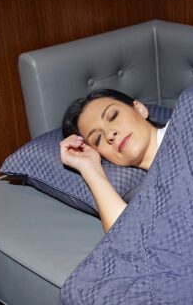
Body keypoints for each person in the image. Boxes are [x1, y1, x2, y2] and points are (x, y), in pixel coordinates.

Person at [59, 89, 166, 232]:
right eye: (97, 139)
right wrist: (89, 169)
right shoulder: (152, 194)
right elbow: (128, 239)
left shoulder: (190, 117)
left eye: (113, 116)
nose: (110, 134)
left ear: (140, 109)